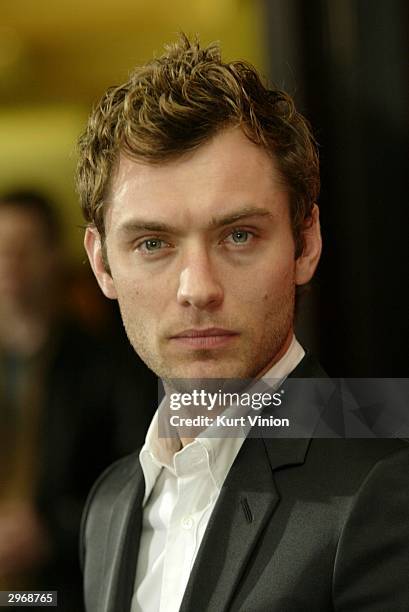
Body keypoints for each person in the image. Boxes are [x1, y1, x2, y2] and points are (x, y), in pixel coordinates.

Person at [77, 35, 409, 611]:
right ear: (102, 263)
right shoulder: (109, 504)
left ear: (306, 243)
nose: (197, 288)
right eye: (153, 243)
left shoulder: (386, 484)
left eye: (238, 236)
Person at [0, 191, 156, 609]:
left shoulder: (108, 365)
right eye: (1, 249)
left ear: (54, 256)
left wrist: (49, 531)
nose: (9, 264)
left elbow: (138, 473)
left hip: (60, 587)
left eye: (23, 249)